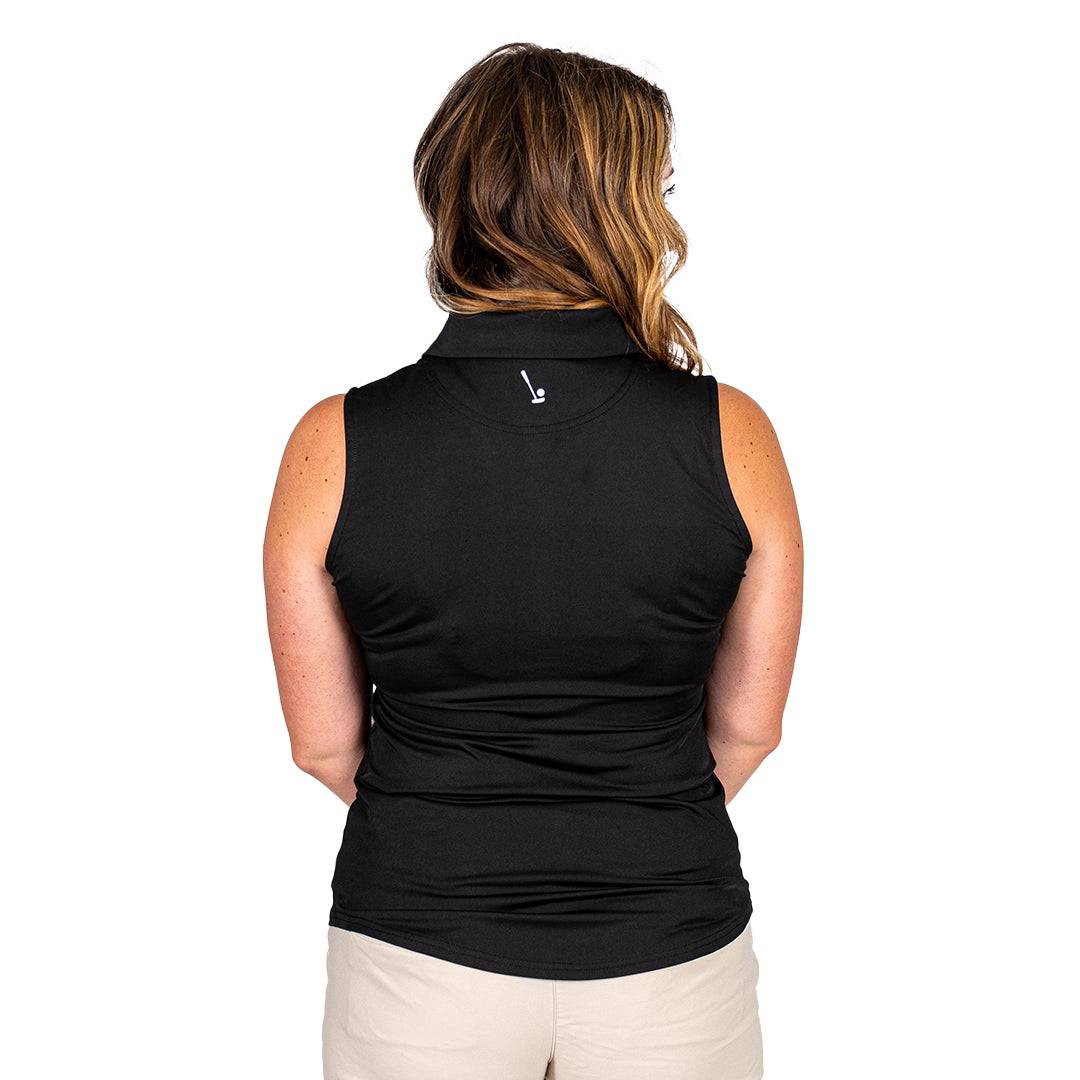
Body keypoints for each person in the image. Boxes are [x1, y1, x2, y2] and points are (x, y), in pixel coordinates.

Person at [263, 41, 803, 1080]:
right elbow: (748, 729)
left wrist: (463, 824)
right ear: (616, 208)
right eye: (659, 187)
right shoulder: (733, 433)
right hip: (668, 952)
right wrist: (622, 815)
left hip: (417, 956)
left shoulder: (333, 443)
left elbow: (324, 748)